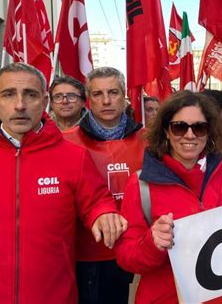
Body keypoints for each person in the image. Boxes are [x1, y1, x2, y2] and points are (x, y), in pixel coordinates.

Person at [0, 63, 125, 303]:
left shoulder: (73, 156)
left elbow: (97, 200)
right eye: (9, 94)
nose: (20, 105)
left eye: (30, 94)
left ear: (45, 100)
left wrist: (104, 213)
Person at [115, 91, 222, 303]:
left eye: (199, 127)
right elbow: (126, 257)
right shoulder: (141, 185)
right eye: (179, 127)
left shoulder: (221, 178)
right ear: (167, 131)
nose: (189, 135)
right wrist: (152, 243)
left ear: (209, 132)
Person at [63, 67, 145, 304]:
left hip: (136, 247)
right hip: (86, 253)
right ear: (88, 99)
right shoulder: (66, 141)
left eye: (113, 92)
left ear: (124, 96)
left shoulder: (149, 140)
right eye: (98, 94)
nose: (106, 101)